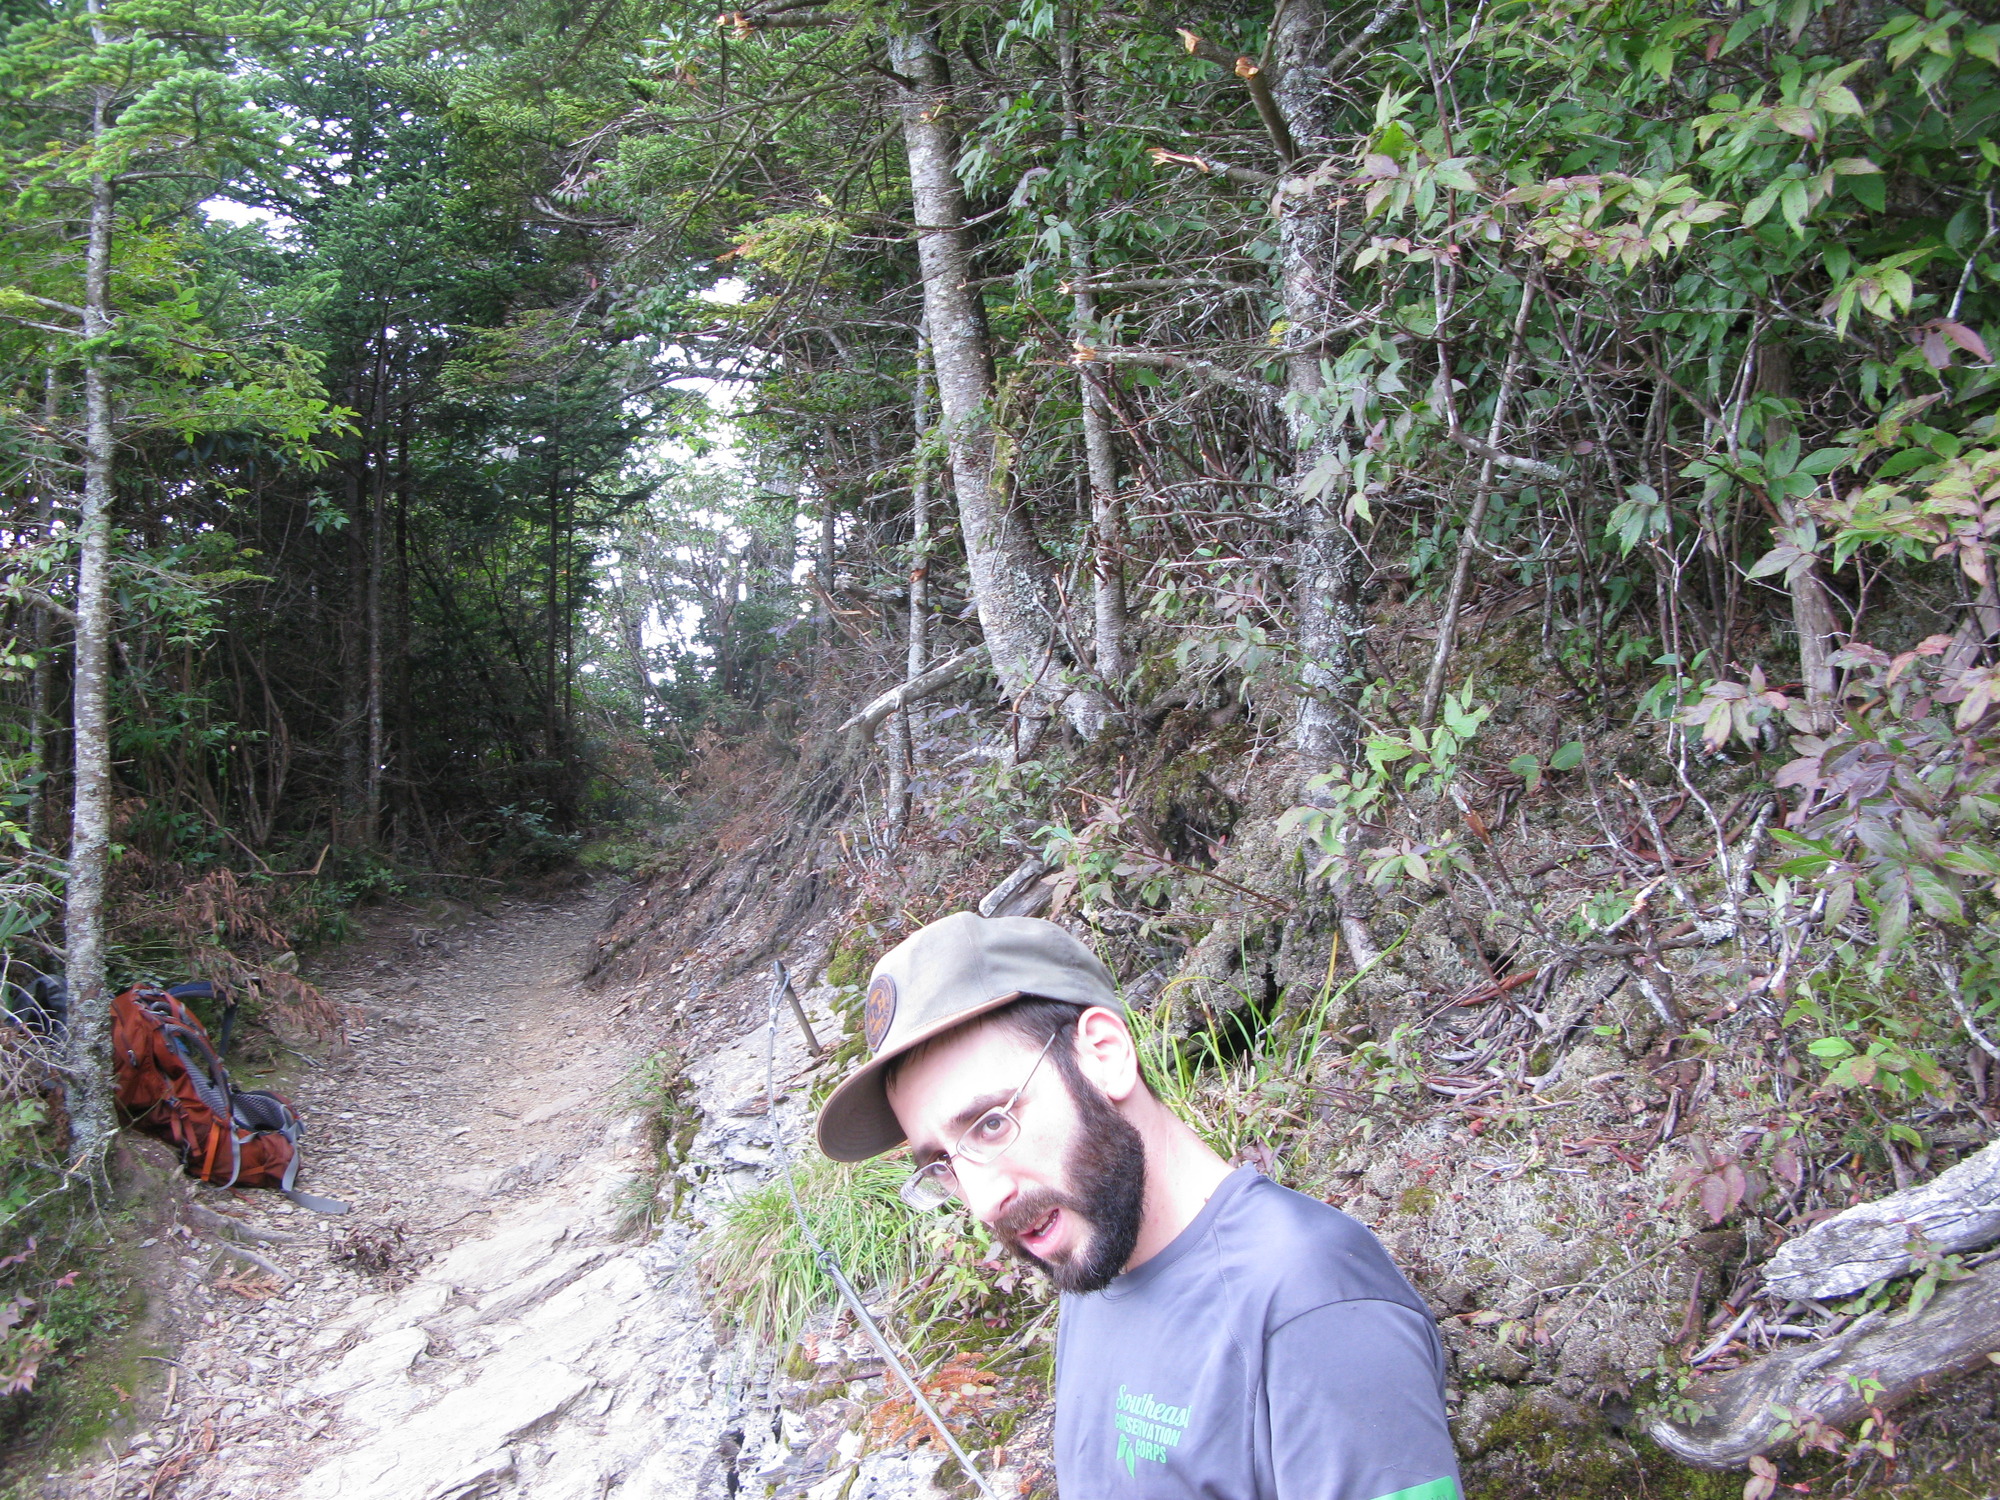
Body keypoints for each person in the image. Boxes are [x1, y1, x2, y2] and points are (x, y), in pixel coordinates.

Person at [816, 911, 1462, 1500]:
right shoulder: (1095, 1250)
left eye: (990, 1123)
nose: (985, 1201)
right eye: (942, 1162)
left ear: (1104, 1055)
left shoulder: (1309, 1306)